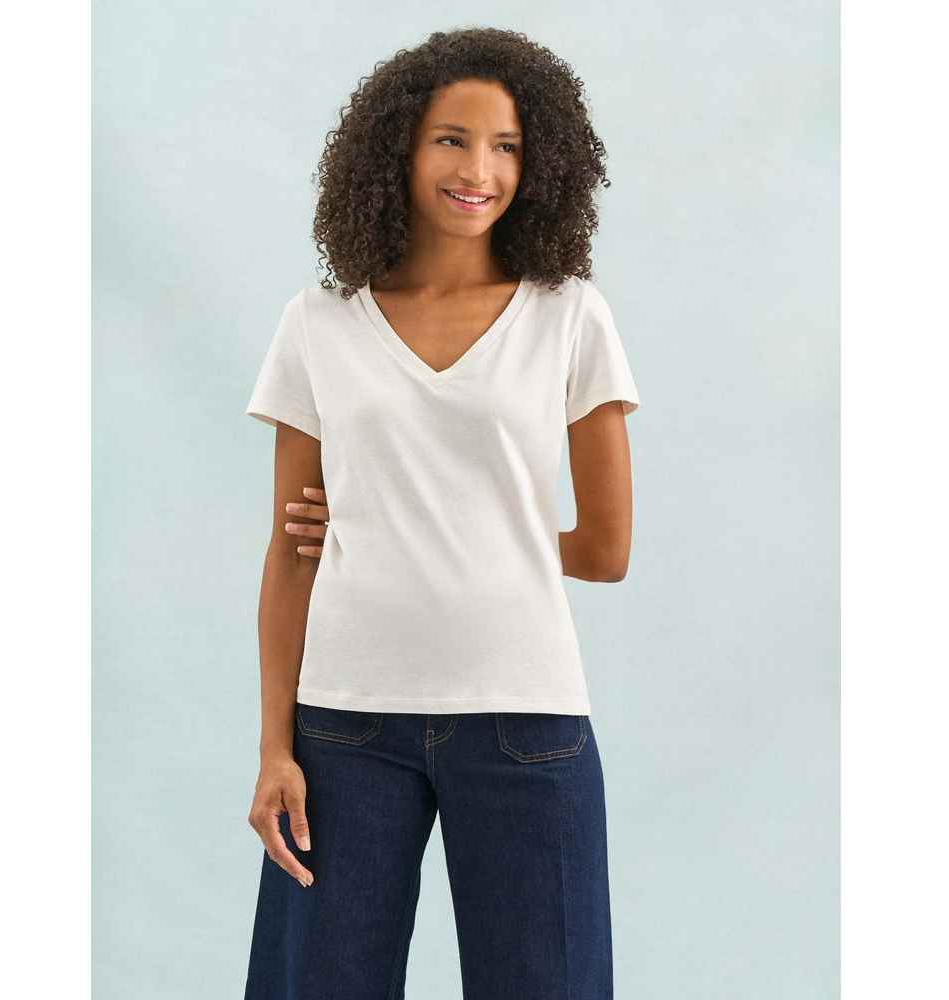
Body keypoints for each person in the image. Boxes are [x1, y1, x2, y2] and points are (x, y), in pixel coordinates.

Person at [242, 27, 641, 1000]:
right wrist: (272, 747)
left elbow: (604, 549)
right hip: (341, 727)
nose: (479, 170)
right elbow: (292, 552)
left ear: (538, 164)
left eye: (506, 146)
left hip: (525, 718)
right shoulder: (319, 322)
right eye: (451, 139)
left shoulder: (567, 315)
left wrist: (451, 530)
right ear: (398, 149)